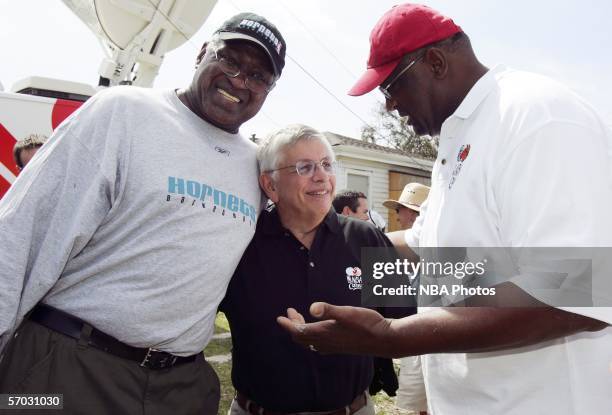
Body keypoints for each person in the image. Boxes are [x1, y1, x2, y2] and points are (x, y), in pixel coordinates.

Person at [278, 3, 612, 415]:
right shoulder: (457, 141)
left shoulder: (534, 117)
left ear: (434, 61)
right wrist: (319, 233)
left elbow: (581, 288)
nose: (390, 108)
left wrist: (391, 337)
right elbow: (426, 253)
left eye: (391, 88)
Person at [0, 12, 286, 414]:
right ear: (203, 53)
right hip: (68, 368)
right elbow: (18, 235)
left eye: (259, 77)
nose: (240, 81)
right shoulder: (123, 112)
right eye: (230, 60)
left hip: (179, 387)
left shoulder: (255, 165)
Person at [220, 124, 413, 415]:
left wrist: (364, 336)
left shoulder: (365, 238)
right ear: (270, 185)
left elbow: (405, 319)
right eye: (304, 167)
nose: (322, 175)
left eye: (326, 164)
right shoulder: (241, 241)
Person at [383, 182, 429, 415]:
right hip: (418, 334)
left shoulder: (428, 246)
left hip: (430, 334)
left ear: (411, 212)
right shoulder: (407, 247)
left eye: (399, 209)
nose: (397, 215)